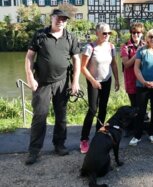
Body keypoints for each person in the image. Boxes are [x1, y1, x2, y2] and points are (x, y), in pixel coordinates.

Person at [24, 9, 81, 165]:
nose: (61, 21)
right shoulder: (40, 35)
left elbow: (76, 60)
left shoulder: (70, 37)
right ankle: (34, 151)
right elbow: (29, 56)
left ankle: (59, 145)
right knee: (39, 117)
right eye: (58, 18)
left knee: (61, 117)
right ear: (52, 18)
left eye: (64, 19)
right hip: (42, 83)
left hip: (62, 83)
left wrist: (75, 81)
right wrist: (30, 77)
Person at [79, 23, 120, 154]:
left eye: (109, 33)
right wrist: (93, 81)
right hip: (93, 81)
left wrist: (117, 80)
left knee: (103, 108)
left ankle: (98, 135)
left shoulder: (111, 47)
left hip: (107, 80)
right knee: (92, 109)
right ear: (97, 33)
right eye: (104, 33)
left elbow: (113, 64)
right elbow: (83, 68)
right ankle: (84, 139)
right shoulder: (90, 47)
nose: (107, 36)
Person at [129, 28, 153, 146]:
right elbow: (136, 68)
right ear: (147, 38)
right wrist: (144, 82)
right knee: (140, 111)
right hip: (142, 85)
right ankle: (137, 135)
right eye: (151, 37)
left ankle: (152, 133)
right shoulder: (141, 51)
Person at [121, 22, 145, 107]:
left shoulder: (146, 45)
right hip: (131, 81)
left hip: (143, 80)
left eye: (138, 32)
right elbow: (126, 64)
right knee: (134, 106)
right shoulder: (125, 46)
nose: (135, 35)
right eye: (133, 32)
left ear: (142, 33)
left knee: (142, 106)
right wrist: (137, 53)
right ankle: (134, 120)